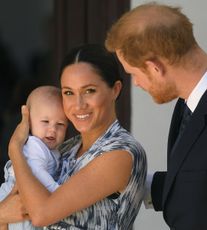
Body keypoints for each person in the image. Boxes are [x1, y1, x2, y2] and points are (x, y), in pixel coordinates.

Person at [105, 2, 207, 230]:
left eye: (133, 73)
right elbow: (205, 188)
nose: (136, 83)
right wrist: (134, 182)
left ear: (155, 67)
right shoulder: (190, 100)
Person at [0, 44, 147, 230]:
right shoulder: (63, 148)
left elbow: (41, 215)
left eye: (89, 91)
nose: (78, 105)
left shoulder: (121, 152)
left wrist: (15, 149)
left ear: (115, 90)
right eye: (69, 92)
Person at [0, 85, 68, 230]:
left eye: (60, 124)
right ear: (29, 122)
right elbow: (37, 172)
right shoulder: (34, 145)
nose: (52, 129)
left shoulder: (52, 149)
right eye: (45, 122)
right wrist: (58, 193)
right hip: (16, 198)